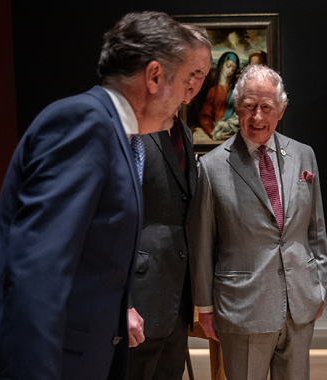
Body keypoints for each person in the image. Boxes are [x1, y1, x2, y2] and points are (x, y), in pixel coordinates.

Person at [0, 11, 204, 380]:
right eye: (183, 80)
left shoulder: (115, 132)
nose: (186, 94)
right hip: (35, 361)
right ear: (153, 77)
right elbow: (39, 271)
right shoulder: (85, 122)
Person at [192, 64, 327, 380]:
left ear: (280, 110)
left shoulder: (304, 155)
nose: (257, 118)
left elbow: (317, 228)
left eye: (266, 107)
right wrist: (205, 308)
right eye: (249, 107)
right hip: (243, 307)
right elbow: (203, 242)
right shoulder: (211, 168)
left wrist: (319, 285)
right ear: (237, 108)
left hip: (300, 302)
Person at [126, 25, 211, 380]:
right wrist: (123, 302)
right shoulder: (132, 125)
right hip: (139, 304)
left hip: (174, 302)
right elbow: (111, 220)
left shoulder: (184, 132)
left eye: (202, 75)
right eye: (190, 71)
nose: (194, 82)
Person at [199, 51, 240, 140]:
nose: (230, 71)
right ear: (221, 65)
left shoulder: (235, 92)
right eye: (228, 66)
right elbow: (205, 117)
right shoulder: (213, 91)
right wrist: (214, 133)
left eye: (233, 69)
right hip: (216, 133)